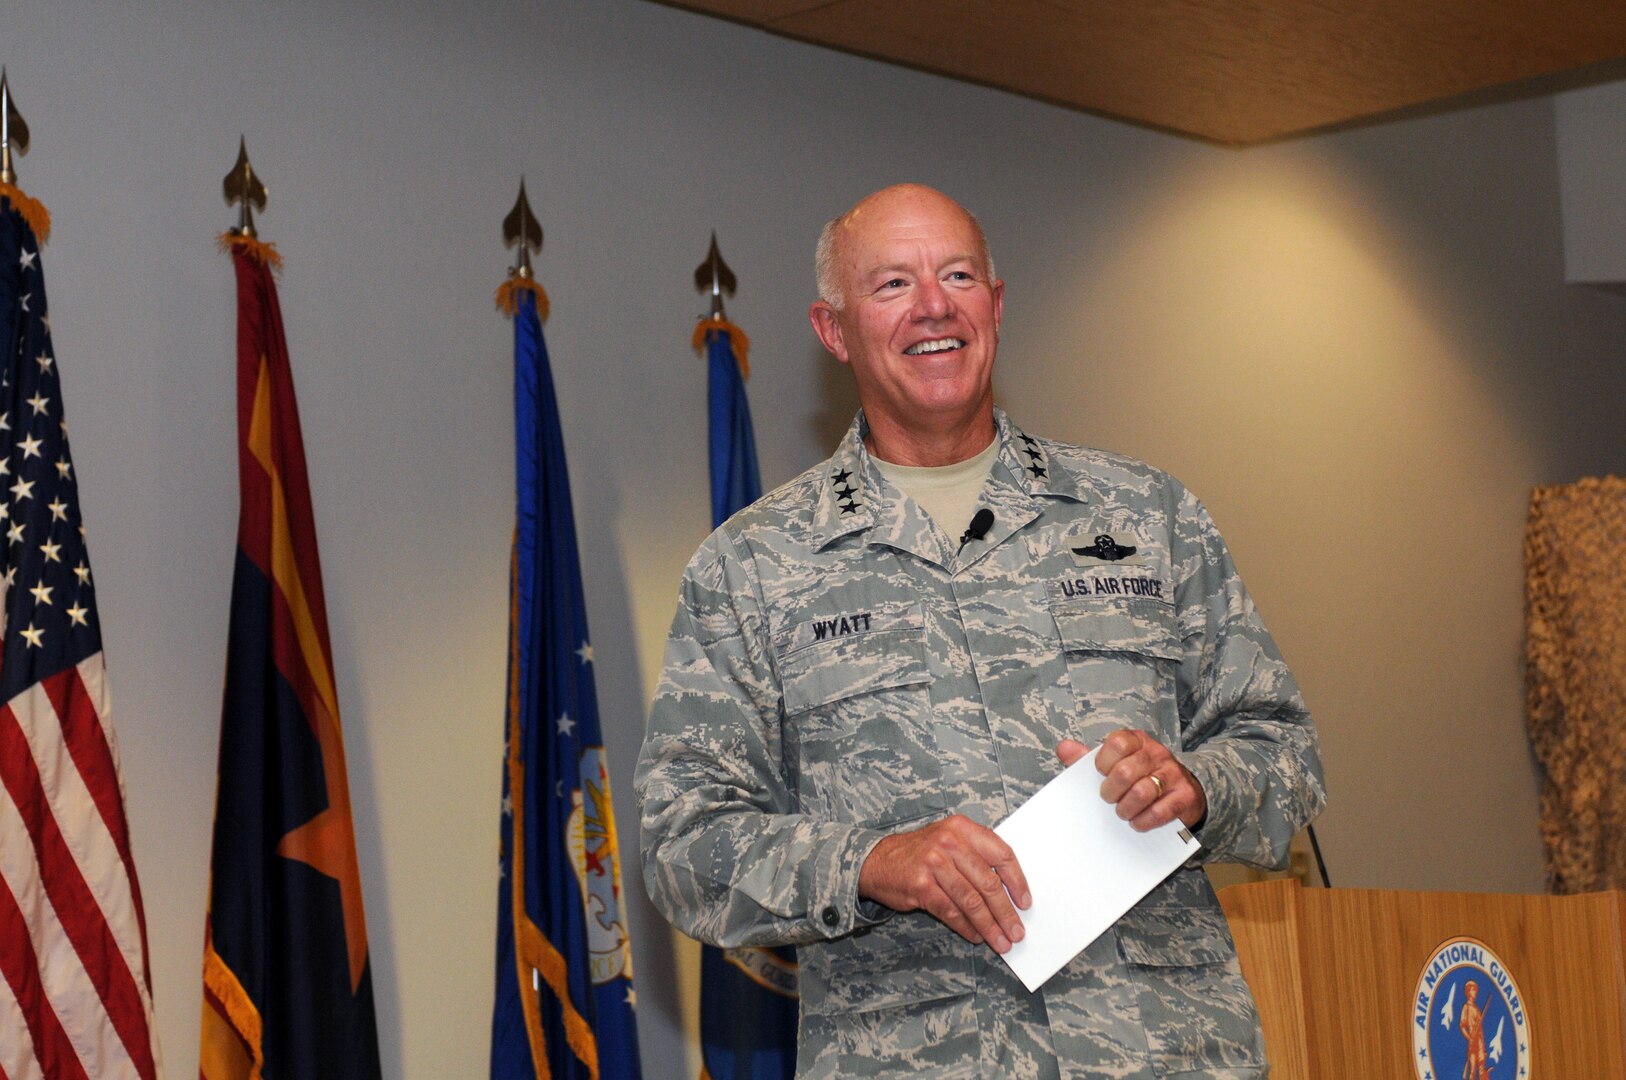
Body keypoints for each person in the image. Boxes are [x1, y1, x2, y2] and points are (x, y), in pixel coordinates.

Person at [636, 183, 1325, 1078]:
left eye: (958, 274)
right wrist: (873, 862)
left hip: (1169, 1050)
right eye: (891, 285)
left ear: (994, 307)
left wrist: (1194, 785)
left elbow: (1286, 754)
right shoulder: (753, 568)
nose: (934, 305)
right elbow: (679, 843)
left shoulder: (1150, 516)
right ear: (834, 330)